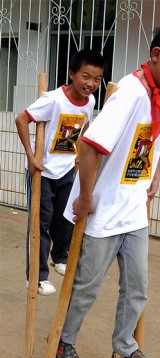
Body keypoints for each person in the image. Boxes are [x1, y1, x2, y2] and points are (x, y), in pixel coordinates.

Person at [55, 24, 160, 358]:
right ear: (156, 56)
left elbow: (157, 140)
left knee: (137, 286)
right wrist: (85, 198)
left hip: (134, 208)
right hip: (103, 209)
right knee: (87, 286)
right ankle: (65, 341)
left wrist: (155, 175)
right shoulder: (130, 93)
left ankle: (125, 346)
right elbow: (90, 146)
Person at [15, 49, 106, 296]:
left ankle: (59, 257)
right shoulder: (53, 99)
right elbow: (21, 119)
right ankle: (36, 277)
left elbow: (84, 125)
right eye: (86, 77)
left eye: (97, 79)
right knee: (40, 224)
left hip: (67, 170)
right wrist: (31, 156)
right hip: (42, 172)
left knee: (66, 218)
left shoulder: (91, 102)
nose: (91, 84)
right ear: (72, 74)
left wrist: (80, 153)